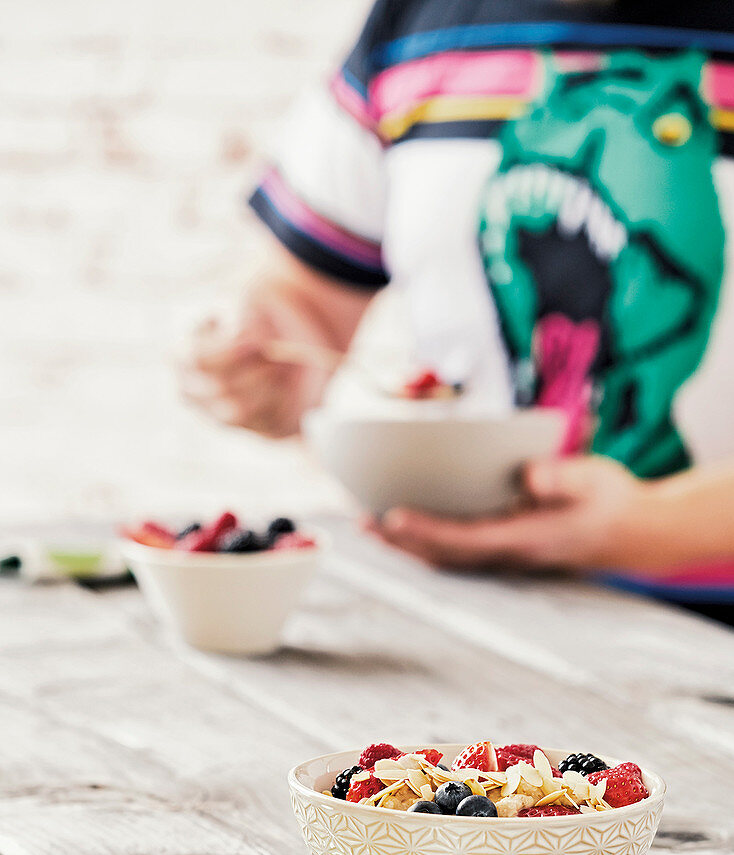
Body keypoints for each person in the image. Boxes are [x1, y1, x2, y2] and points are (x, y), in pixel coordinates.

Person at [181, 0, 734, 620]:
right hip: (467, 620)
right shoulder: (415, 20)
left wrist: (654, 527)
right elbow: (304, 297)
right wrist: (264, 361)